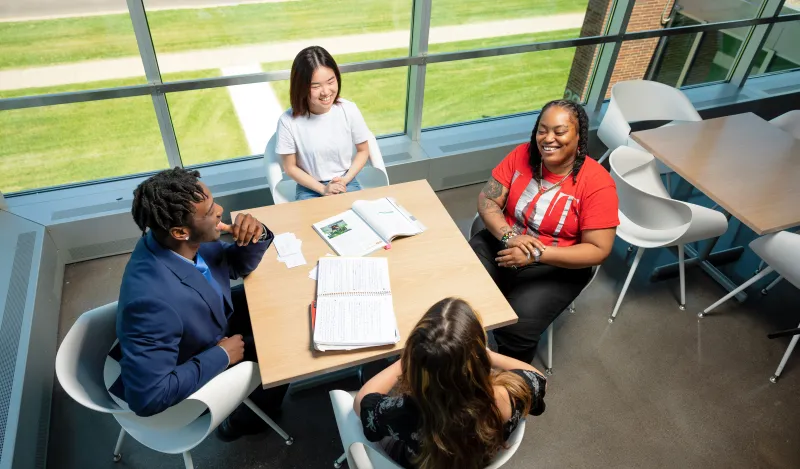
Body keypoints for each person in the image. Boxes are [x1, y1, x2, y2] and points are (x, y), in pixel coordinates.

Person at [107, 167, 288, 441]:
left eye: (214, 202)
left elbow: (232, 266)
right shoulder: (152, 303)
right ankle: (243, 422)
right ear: (180, 231)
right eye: (210, 211)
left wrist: (257, 235)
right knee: (280, 350)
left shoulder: (179, 241)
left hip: (207, 318)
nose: (220, 210)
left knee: (277, 305)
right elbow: (147, 398)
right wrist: (222, 356)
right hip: (191, 359)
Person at [470, 99, 619, 364]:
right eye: (542, 130)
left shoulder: (597, 183)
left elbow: (599, 249)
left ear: (579, 136)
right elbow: (487, 200)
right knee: (462, 296)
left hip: (557, 263)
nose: (548, 138)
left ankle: (511, 385)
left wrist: (536, 254)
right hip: (506, 242)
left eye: (559, 131)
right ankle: (460, 359)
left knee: (516, 328)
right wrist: (510, 236)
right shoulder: (521, 156)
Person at [354, 298, 547, 469]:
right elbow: (536, 377)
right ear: (477, 357)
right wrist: (488, 355)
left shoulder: (406, 412)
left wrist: (404, 361)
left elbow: (362, 402)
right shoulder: (506, 397)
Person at [276, 45, 372, 201]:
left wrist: (345, 180)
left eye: (330, 82)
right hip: (310, 188)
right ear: (301, 87)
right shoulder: (288, 121)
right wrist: (323, 189)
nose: (326, 92)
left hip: (346, 181)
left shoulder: (349, 110)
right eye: (315, 86)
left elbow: (363, 151)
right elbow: (290, 167)